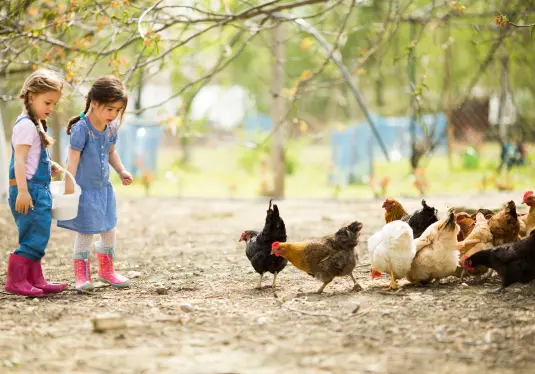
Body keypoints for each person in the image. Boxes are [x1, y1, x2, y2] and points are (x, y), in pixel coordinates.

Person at [57, 76, 133, 291]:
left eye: (118, 110)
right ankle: (82, 275)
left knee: (110, 229)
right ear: (95, 103)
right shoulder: (82, 129)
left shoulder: (111, 128)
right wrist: (69, 187)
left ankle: (107, 270)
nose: (114, 114)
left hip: (103, 190)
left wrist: (121, 170)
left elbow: (111, 152)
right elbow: (71, 161)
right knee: (86, 231)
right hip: (85, 191)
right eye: (110, 109)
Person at [4, 69, 68, 297]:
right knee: (32, 237)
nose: (51, 108)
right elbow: (19, 161)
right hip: (28, 191)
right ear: (31, 97)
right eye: (47, 102)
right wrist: (22, 191)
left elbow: (31, 159)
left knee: (39, 235)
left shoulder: (36, 124)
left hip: (38, 190)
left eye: (54, 104)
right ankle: (16, 281)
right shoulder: (25, 126)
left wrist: (48, 166)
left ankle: (35, 278)